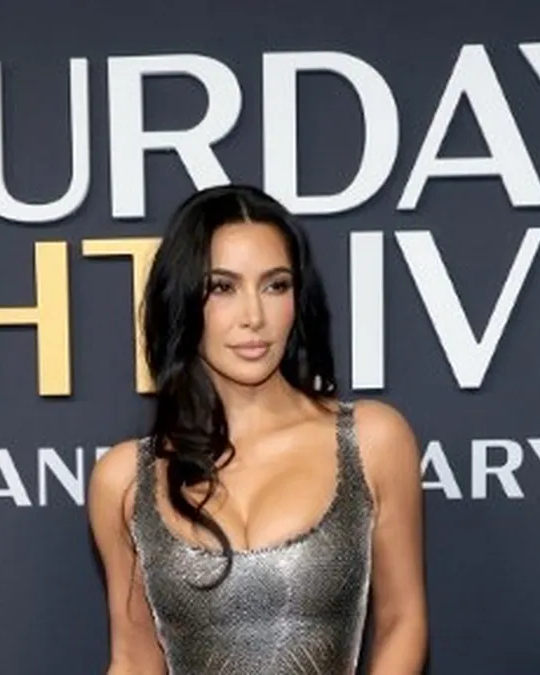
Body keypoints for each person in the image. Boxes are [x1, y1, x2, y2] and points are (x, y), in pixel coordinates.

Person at [88, 184, 428, 674]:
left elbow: (402, 620)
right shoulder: (124, 480)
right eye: (222, 288)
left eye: (275, 285)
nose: (254, 317)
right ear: (184, 300)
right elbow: (134, 658)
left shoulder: (371, 440)